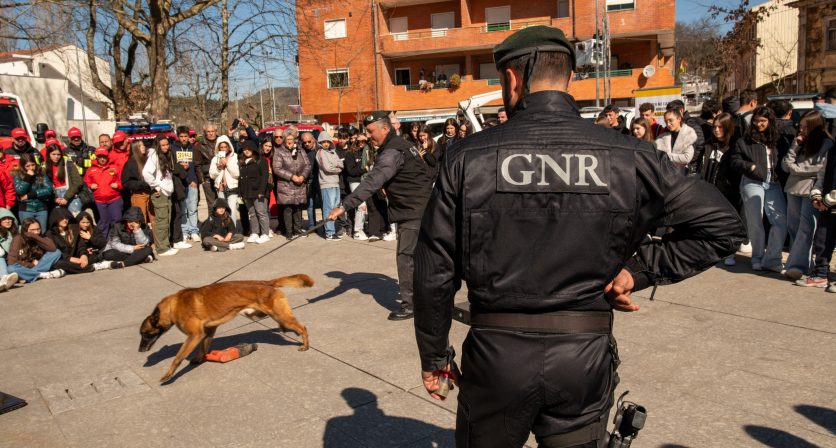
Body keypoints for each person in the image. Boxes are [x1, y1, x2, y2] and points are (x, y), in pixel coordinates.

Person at [411, 25, 745, 447]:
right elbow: (723, 226)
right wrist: (637, 271)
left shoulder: (467, 157)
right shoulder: (631, 155)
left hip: (498, 356)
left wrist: (436, 358)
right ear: (569, 77)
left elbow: (433, 271)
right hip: (583, 356)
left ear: (512, 79)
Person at [328, 110, 435, 320]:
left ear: (385, 128)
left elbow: (372, 181)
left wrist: (344, 206)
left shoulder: (392, 152)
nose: (368, 135)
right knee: (423, 258)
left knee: (406, 258)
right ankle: (428, 299)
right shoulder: (402, 145)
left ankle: (411, 305)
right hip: (423, 207)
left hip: (413, 211)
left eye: (370, 131)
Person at [730, 105, 788, 272]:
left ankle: (772, 259)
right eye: (756, 121)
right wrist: (751, 167)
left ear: (770, 121)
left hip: (773, 182)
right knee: (756, 220)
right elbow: (734, 160)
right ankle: (757, 256)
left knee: (780, 221)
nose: (758, 124)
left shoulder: (778, 139)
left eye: (762, 121)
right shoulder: (744, 141)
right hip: (752, 181)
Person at [783, 111, 831, 282]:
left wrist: (795, 169)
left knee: (806, 228)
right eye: (800, 126)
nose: (801, 129)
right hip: (793, 189)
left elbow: (818, 169)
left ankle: (797, 266)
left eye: (805, 126)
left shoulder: (826, 144)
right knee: (794, 227)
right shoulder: (800, 141)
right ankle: (803, 264)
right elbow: (785, 164)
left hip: (811, 190)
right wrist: (795, 146)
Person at [46, 207, 120, 274]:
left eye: (66, 218)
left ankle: (69, 269)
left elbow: (80, 246)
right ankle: (95, 267)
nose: (65, 220)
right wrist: (71, 259)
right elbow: (55, 251)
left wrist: (83, 255)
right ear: (56, 219)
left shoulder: (73, 229)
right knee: (57, 263)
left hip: (78, 258)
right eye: (62, 218)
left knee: (96, 256)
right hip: (65, 259)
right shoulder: (50, 234)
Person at [142, 136, 178, 257]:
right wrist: (156, 186)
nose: (166, 147)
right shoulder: (154, 157)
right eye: (163, 145)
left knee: (166, 220)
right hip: (160, 192)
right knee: (161, 221)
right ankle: (162, 248)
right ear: (158, 146)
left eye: (167, 144)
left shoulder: (167, 156)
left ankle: (165, 245)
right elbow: (146, 173)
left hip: (167, 191)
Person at [274, 130, 311, 240]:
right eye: (287, 139)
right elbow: (277, 169)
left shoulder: (300, 150)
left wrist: (303, 176)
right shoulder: (279, 152)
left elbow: (307, 165)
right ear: (284, 140)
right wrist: (291, 176)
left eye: (291, 139)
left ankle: (298, 229)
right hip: (286, 184)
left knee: (298, 207)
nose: (290, 141)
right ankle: (289, 231)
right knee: (288, 208)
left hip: (299, 183)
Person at [7, 217, 65, 282]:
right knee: (11, 268)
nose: (36, 232)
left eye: (38, 229)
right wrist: (31, 264)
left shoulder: (41, 237)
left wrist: (34, 236)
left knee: (57, 252)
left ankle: (29, 275)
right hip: (24, 266)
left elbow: (53, 249)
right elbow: (11, 261)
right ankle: (42, 274)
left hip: (39, 265)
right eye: (32, 230)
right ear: (25, 230)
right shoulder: (18, 239)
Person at [84, 147, 123, 240]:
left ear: (107, 157)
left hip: (114, 199)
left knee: (117, 220)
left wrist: (117, 185)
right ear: (96, 157)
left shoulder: (114, 167)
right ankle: (103, 242)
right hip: (99, 201)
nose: (102, 159)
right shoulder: (91, 170)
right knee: (103, 222)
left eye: (104, 157)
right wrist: (90, 185)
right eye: (100, 157)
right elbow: (86, 182)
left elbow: (122, 182)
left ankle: (116, 240)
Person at [238, 140, 270, 243]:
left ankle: (265, 233)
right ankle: (255, 232)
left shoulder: (261, 160)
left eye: (248, 149)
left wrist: (261, 190)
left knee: (261, 212)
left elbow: (265, 176)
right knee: (252, 213)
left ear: (253, 149)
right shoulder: (242, 162)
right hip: (246, 192)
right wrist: (240, 192)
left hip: (258, 191)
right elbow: (241, 178)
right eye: (244, 149)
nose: (246, 151)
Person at [173, 126, 200, 243]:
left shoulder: (193, 148)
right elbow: (172, 166)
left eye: (186, 136)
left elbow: (197, 166)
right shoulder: (173, 148)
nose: (184, 139)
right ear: (178, 137)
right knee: (183, 209)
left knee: (192, 208)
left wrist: (196, 180)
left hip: (192, 182)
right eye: (181, 137)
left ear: (189, 137)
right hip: (180, 183)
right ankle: (184, 231)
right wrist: (180, 167)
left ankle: (194, 231)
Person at [13, 152, 52, 231]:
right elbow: (20, 191)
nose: (31, 168)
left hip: (41, 208)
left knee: (41, 232)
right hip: (26, 209)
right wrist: (27, 177)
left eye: (33, 165)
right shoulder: (18, 175)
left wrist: (30, 195)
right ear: (23, 166)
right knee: (28, 233)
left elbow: (48, 190)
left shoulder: (41, 173)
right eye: (27, 166)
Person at [210, 135, 241, 232]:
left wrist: (226, 164)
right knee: (221, 211)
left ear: (229, 147)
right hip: (221, 188)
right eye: (221, 147)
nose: (223, 149)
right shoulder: (215, 158)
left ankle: (232, 231)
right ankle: (223, 231)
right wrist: (219, 167)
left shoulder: (235, 157)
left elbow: (237, 174)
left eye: (225, 147)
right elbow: (212, 174)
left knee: (231, 210)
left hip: (232, 187)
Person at [121, 140, 154, 231]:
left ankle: (157, 242)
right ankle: (142, 243)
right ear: (135, 148)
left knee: (154, 219)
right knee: (140, 219)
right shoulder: (130, 163)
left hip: (152, 194)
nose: (143, 147)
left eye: (143, 145)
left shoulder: (149, 160)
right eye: (140, 146)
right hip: (139, 194)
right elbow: (126, 182)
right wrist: (141, 184)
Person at [317, 130, 344, 241]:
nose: (326, 144)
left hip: (335, 183)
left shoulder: (333, 152)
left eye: (328, 141)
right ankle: (329, 233)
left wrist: (336, 166)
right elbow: (327, 168)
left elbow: (341, 164)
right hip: (327, 184)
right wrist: (336, 167)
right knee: (328, 208)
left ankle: (333, 230)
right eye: (323, 142)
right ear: (320, 143)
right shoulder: (321, 153)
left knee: (335, 208)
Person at [666, 99, 706, 174]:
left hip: (688, 168)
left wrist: (685, 160)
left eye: (673, 112)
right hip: (672, 168)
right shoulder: (668, 127)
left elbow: (699, 146)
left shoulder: (692, 126)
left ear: (681, 111)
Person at [44, 144, 84, 217]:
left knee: (75, 218)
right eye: (53, 154)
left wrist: (66, 197)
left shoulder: (67, 163)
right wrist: (55, 198)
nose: (56, 157)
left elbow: (78, 182)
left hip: (70, 194)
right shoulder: (44, 167)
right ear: (48, 154)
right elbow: (45, 185)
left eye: (58, 154)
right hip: (55, 195)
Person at [343, 133, 368, 240]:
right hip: (355, 181)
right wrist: (363, 169)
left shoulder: (367, 152)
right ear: (355, 141)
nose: (362, 143)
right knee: (361, 205)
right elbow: (351, 171)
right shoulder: (350, 153)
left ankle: (361, 228)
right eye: (359, 141)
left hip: (366, 181)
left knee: (366, 206)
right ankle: (357, 231)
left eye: (364, 141)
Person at [194, 124, 220, 210]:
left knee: (222, 204)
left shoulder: (221, 142)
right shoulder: (199, 146)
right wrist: (202, 181)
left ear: (216, 132)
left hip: (221, 177)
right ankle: (212, 223)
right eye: (208, 132)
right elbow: (197, 165)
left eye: (213, 131)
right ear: (205, 133)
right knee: (212, 205)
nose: (211, 133)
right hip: (208, 179)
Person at [0, 210, 20, 291]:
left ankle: (4, 280)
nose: (7, 221)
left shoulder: (19, 230)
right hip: (3, 261)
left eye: (9, 218)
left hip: (17, 259)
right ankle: (4, 277)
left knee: (12, 269)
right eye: (4, 219)